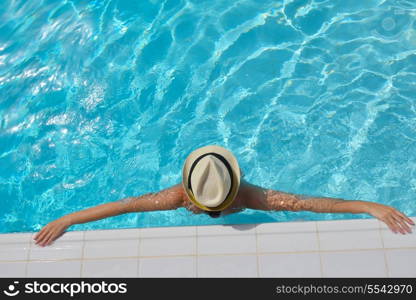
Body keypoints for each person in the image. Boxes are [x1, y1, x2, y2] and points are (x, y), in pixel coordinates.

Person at [34, 145, 414, 246]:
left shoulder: (180, 197)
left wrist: (68, 218)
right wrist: (368, 206)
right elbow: (309, 202)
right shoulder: (245, 196)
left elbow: (124, 206)